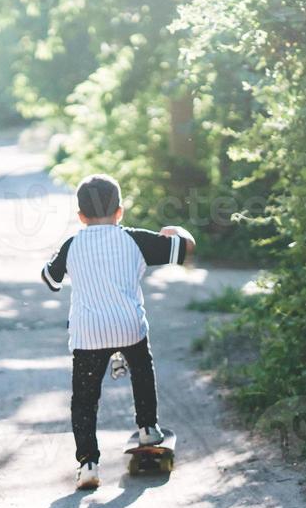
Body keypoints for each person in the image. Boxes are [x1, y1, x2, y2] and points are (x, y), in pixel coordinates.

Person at [39, 173, 195, 490]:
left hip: (88, 335)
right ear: (120, 211)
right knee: (141, 369)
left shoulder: (72, 244)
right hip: (129, 327)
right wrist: (175, 231)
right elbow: (186, 248)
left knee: (84, 400)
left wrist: (61, 261)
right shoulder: (134, 239)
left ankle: (88, 464)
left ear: (81, 216)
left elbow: (50, 280)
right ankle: (149, 427)